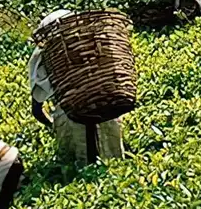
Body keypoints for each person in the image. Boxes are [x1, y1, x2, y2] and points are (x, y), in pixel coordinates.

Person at [28, 10, 127, 163]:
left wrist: (52, 126)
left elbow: (37, 109)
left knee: (77, 175)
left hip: (69, 118)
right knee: (113, 170)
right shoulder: (95, 43)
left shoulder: (44, 55)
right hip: (107, 114)